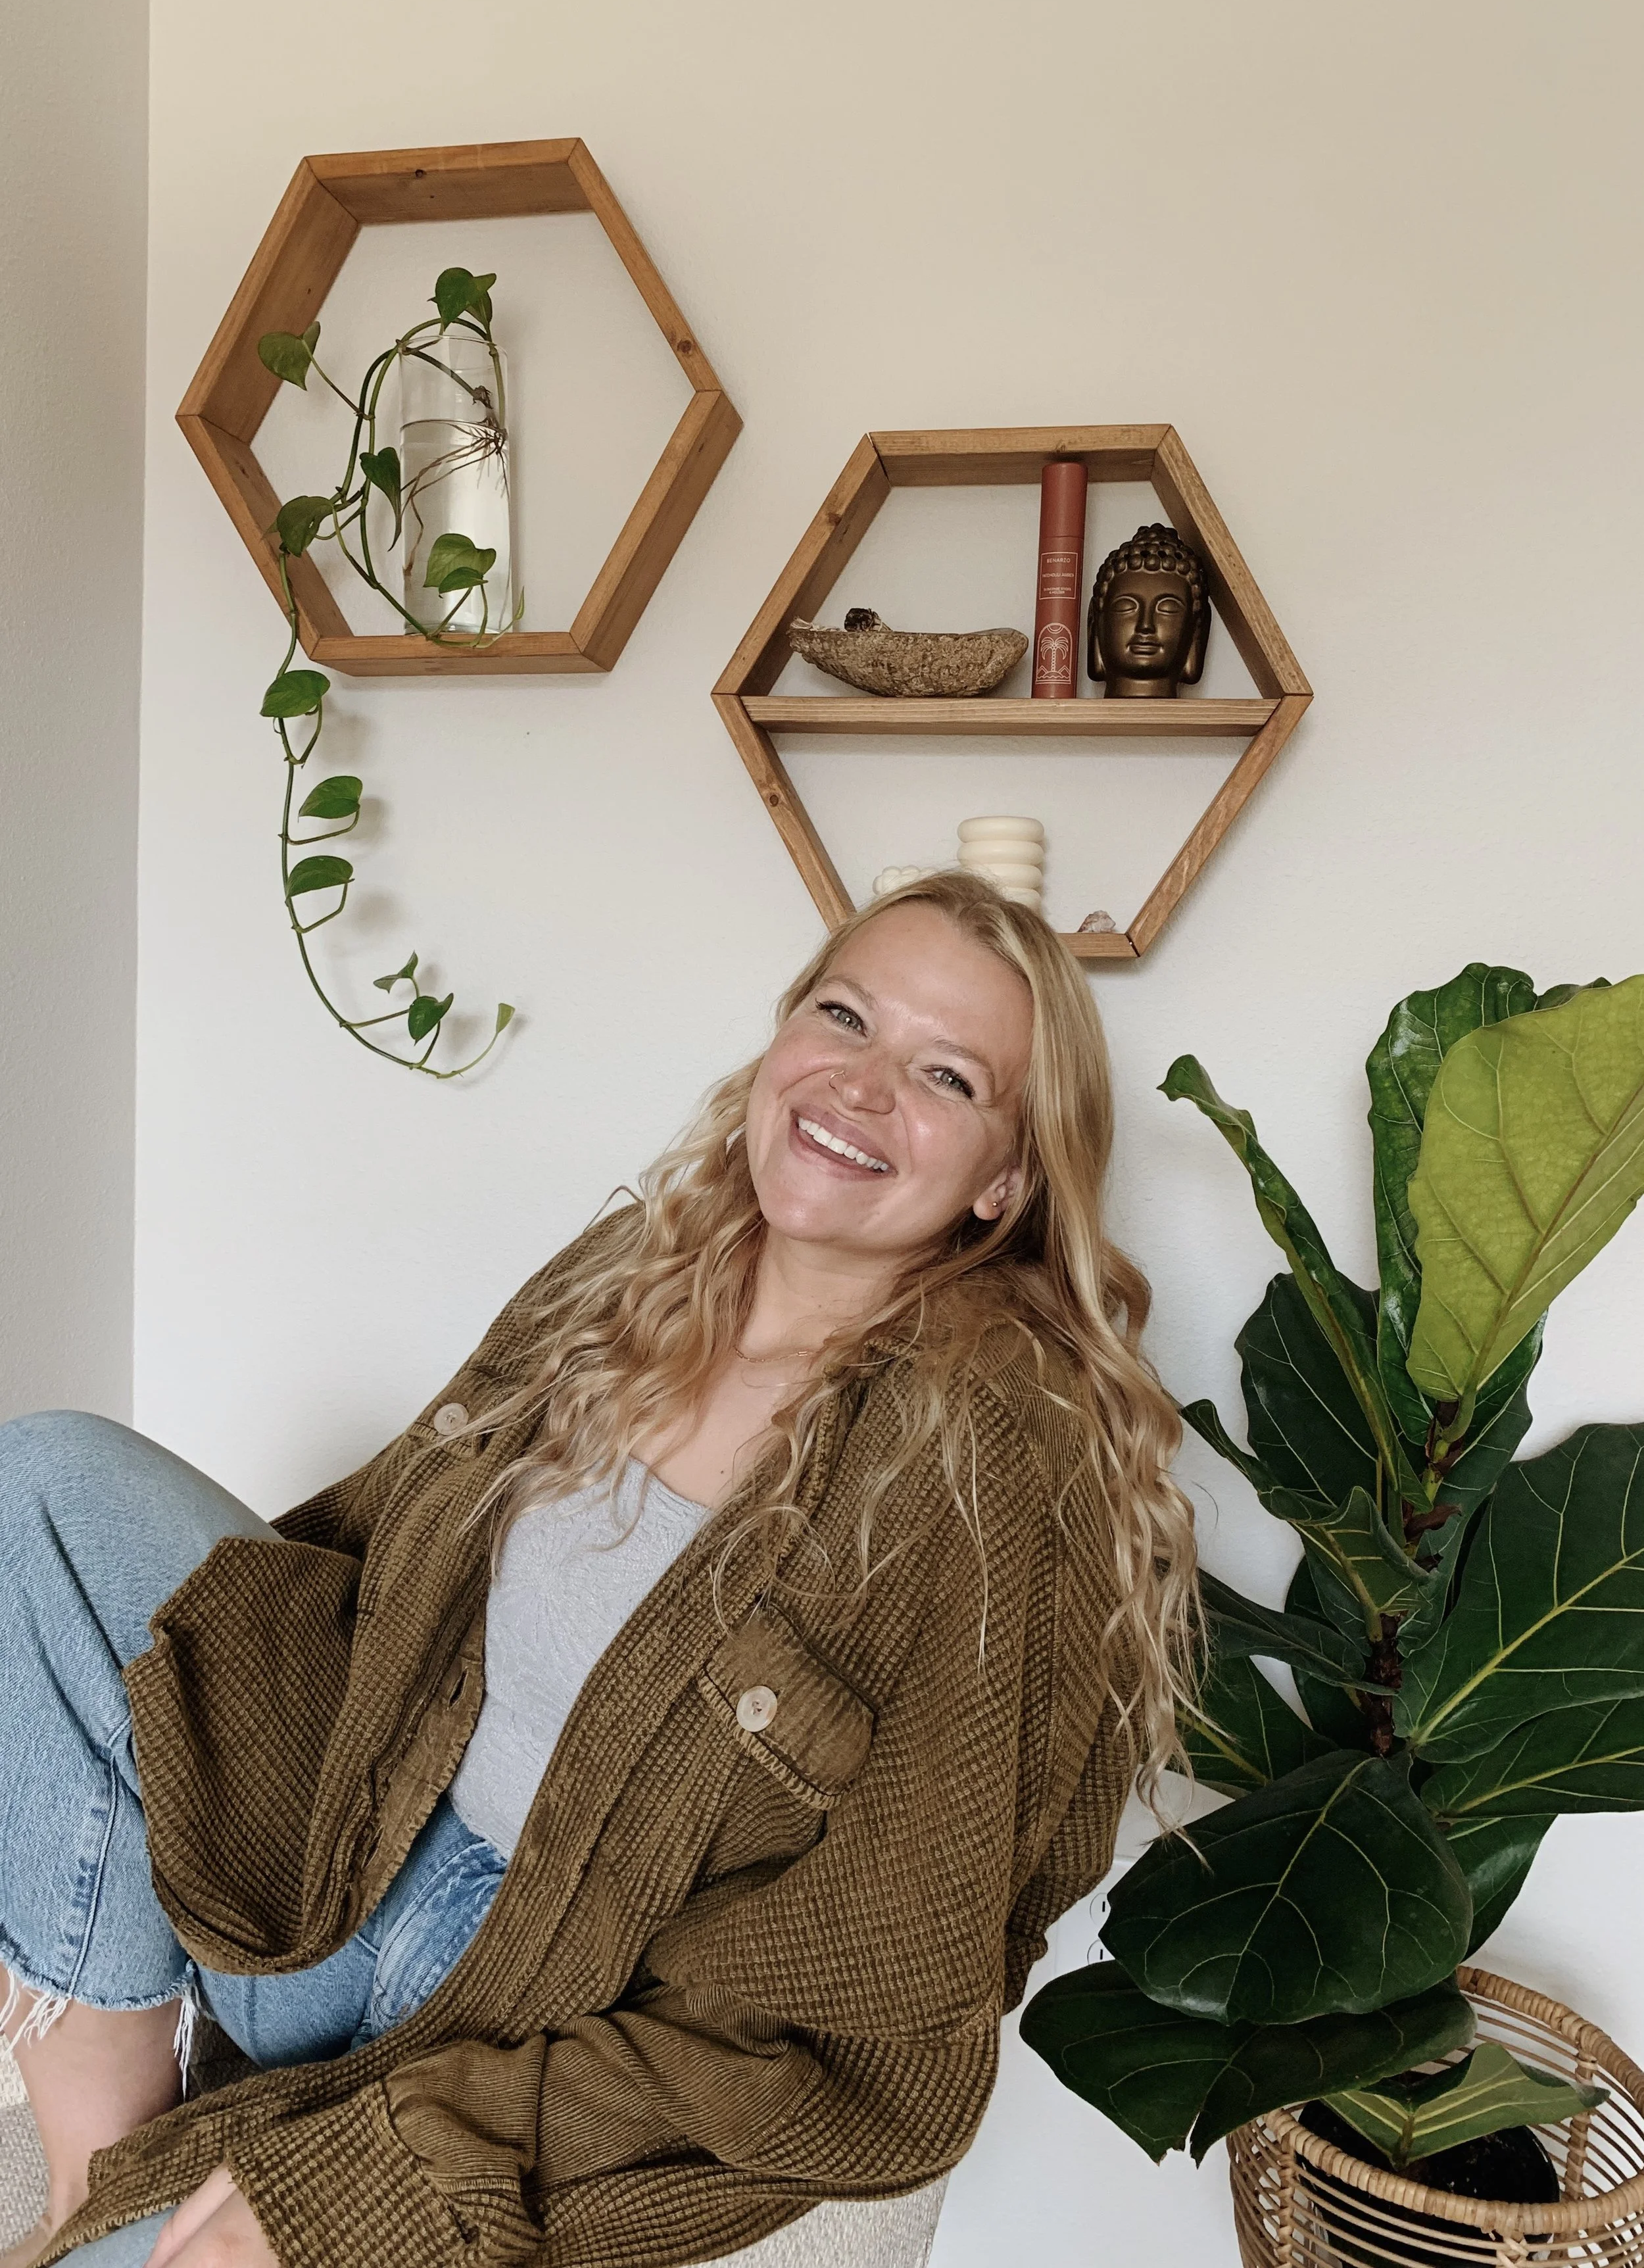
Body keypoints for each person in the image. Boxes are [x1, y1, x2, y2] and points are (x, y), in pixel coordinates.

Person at [0, 873, 1197, 2268]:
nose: (861, 1087)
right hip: (345, 1856)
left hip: (519, 2005)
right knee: (43, 1478)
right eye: (841, 1015)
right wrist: (176, 1727)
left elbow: (882, 2019)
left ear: (1005, 1178)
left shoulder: (994, 1455)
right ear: (778, 1044)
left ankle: (132, 2218)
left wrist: (400, 2169)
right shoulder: (638, 1267)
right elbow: (363, 1556)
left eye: (942, 1073)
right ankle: (96, 2165)